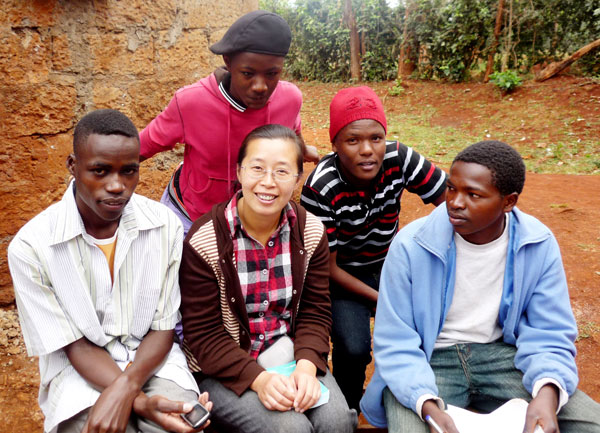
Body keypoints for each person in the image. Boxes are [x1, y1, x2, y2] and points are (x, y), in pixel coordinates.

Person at [360, 141, 600, 432]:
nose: (455, 202)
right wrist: (426, 405)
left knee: (592, 424)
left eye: (473, 194)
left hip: (504, 357)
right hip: (428, 361)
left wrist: (547, 394)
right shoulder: (411, 245)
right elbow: (395, 341)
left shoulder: (537, 243)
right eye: (452, 188)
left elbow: (549, 331)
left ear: (508, 202)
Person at [7, 109, 211, 433]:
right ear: (73, 166)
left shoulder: (165, 226)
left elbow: (163, 329)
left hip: (154, 364)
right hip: (78, 373)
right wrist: (138, 401)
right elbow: (75, 345)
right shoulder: (32, 247)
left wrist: (128, 389)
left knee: (181, 422)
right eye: (100, 171)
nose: (117, 186)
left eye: (129, 171)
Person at [178, 124, 357, 433]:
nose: (268, 182)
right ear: (239, 171)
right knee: (290, 430)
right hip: (223, 368)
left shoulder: (310, 232)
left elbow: (315, 311)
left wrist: (306, 367)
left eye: (282, 171)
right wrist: (259, 380)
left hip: (289, 355)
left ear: (298, 179)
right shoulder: (205, 241)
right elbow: (204, 334)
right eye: (257, 168)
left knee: (337, 421)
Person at [300, 86, 447, 411]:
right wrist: (384, 300)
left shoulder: (400, 158)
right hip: (341, 275)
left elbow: (453, 203)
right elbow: (327, 268)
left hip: (391, 263)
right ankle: (348, 409)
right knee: (353, 348)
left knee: (431, 329)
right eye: (353, 140)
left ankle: (421, 397)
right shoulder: (321, 187)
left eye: (376, 138)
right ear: (335, 144)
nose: (367, 150)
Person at [139, 10, 318, 236]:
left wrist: (304, 150)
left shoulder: (290, 99)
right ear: (228, 62)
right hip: (193, 217)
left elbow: (292, 131)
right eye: (248, 73)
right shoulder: (191, 103)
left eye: (272, 74)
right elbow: (141, 147)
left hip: (254, 221)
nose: (260, 86)